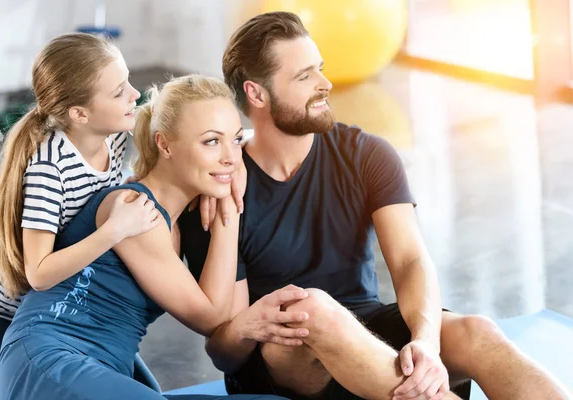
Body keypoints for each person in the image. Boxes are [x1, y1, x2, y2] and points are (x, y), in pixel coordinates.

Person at [178, 11, 572, 400]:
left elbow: (409, 261)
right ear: (257, 93)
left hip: (367, 330)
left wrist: (426, 344)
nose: (325, 83)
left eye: (320, 68)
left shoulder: (366, 154)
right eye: (304, 76)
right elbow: (226, 352)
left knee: (478, 332)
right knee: (312, 308)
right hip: (283, 359)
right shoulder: (220, 191)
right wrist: (251, 324)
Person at [0, 73, 288, 400]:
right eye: (210, 141)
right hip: (49, 362)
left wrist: (231, 164)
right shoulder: (135, 209)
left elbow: (231, 317)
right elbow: (213, 318)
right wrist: (231, 211)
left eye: (234, 140)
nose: (231, 158)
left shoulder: (174, 219)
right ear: (164, 144)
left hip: (103, 371)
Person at [0, 32, 161, 400]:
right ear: (79, 114)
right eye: (119, 90)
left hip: (55, 315)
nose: (134, 95)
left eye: (128, 82)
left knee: (149, 393)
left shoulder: (114, 136)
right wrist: (114, 230)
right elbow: (39, 273)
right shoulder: (50, 171)